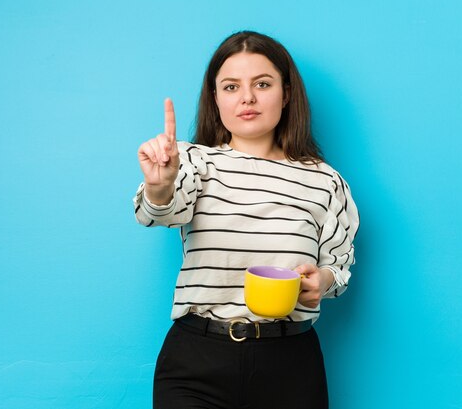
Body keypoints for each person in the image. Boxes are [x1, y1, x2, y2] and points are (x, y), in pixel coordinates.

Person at [133, 31, 359, 409]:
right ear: (216, 98)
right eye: (231, 86)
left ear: (286, 94)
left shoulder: (325, 181)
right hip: (197, 361)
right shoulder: (192, 162)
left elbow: (338, 266)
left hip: (290, 364)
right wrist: (160, 184)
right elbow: (158, 211)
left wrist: (322, 280)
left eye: (262, 84)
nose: (247, 98)